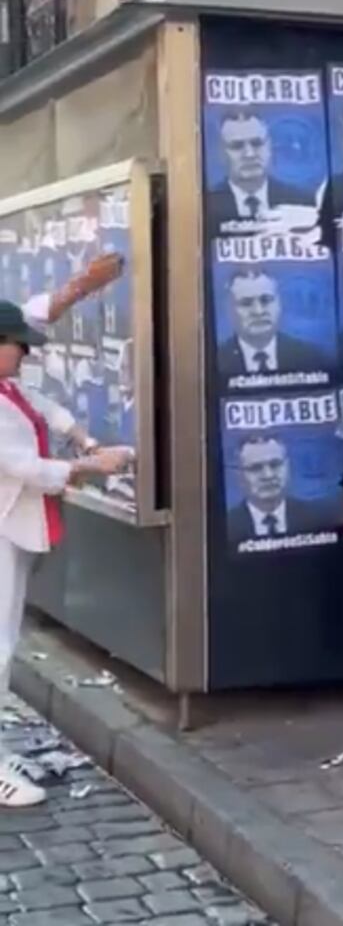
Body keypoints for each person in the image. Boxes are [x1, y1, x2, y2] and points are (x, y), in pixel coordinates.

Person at [0, 300, 131, 806]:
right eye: (18, 346)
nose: (26, 356)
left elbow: (41, 408)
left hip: (12, 523)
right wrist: (90, 466)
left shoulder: (9, 386)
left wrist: (85, 439)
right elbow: (23, 465)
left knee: (6, 639)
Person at [207, 111, 311, 231]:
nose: (249, 154)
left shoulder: (301, 202)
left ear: (269, 146)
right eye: (237, 146)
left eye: (257, 143)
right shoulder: (208, 206)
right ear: (221, 153)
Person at [218, 269, 329, 378]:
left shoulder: (310, 357)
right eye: (246, 304)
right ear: (228, 310)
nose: (258, 311)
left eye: (266, 300)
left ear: (280, 304)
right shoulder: (216, 360)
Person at [227, 436, 323, 543]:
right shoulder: (226, 525)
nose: (268, 475)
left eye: (275, 464)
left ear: (288, 467)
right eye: (255, 468)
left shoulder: (318, 519)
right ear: (238, 475)